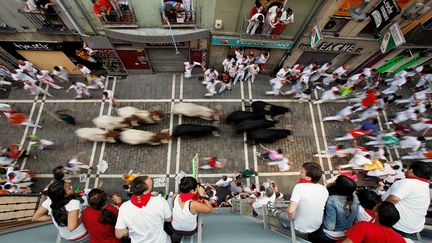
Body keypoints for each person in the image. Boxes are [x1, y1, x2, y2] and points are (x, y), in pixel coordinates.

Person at [267, 162, 328, 238]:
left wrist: (289, 218)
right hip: (316, 225)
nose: (300, 173)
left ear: (309, 178)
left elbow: (290, 211)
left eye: (302, 172)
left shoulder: (299, 187)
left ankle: (274, 212)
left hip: (300, 226)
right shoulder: (324, 189)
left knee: (284, 214)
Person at [115, 176, 172, 242]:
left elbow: (119, 234)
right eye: (151, 186)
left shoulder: (124, 207)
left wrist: (133, 231)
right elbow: (168, 219)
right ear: (145, 192)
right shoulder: (160, 201)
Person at [382, 161, 431, 236]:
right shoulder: (425, 186)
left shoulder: (408, 182)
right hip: (415, 227)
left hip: (397, 226)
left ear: (411, 171)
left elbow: (393, 199)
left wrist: (379, 210)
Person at [310, 176, 359, 242]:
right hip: (346, 233)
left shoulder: (332, 200)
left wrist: (321, 216)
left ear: (338, 187)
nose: (333, 181)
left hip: (330, 234)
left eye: (335, 181)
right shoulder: (355, 197)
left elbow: (330, 226)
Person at [169, 177, 213, 242]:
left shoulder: (175, 196)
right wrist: (202, 194)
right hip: (190, 231)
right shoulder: (193, 204)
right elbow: (210, 209)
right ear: (192, 191)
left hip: (175, 228)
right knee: (198, 215)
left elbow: (173, 207)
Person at [341, 202, 405, 243]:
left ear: (376, 214)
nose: (375, 206)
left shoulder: (363, 226)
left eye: (377, 206)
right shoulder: (400, 239)